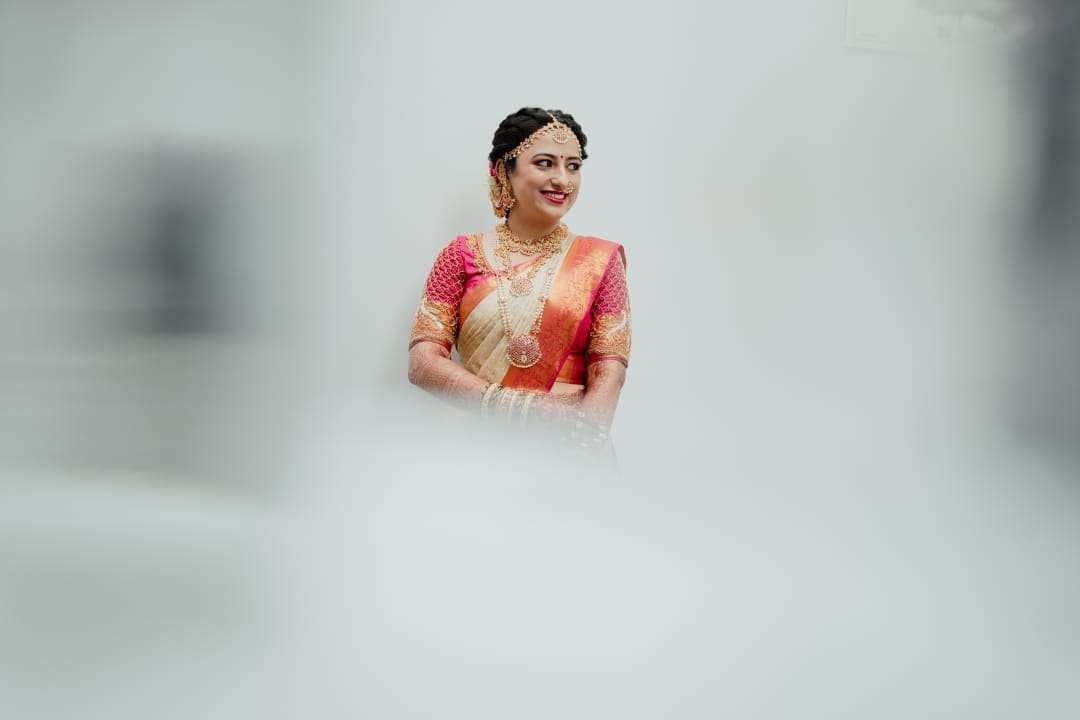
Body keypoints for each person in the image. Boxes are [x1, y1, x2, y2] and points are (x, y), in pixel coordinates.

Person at [407, 107, 630, 455]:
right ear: (502, 171)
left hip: (567, 450)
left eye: (573, 166)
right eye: (545, 163)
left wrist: (587, 441)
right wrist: (520, 410)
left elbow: (609, 370)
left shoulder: (599, 260)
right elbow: (423, 363)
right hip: (477, 450)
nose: (563, 180)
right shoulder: (460, 255)